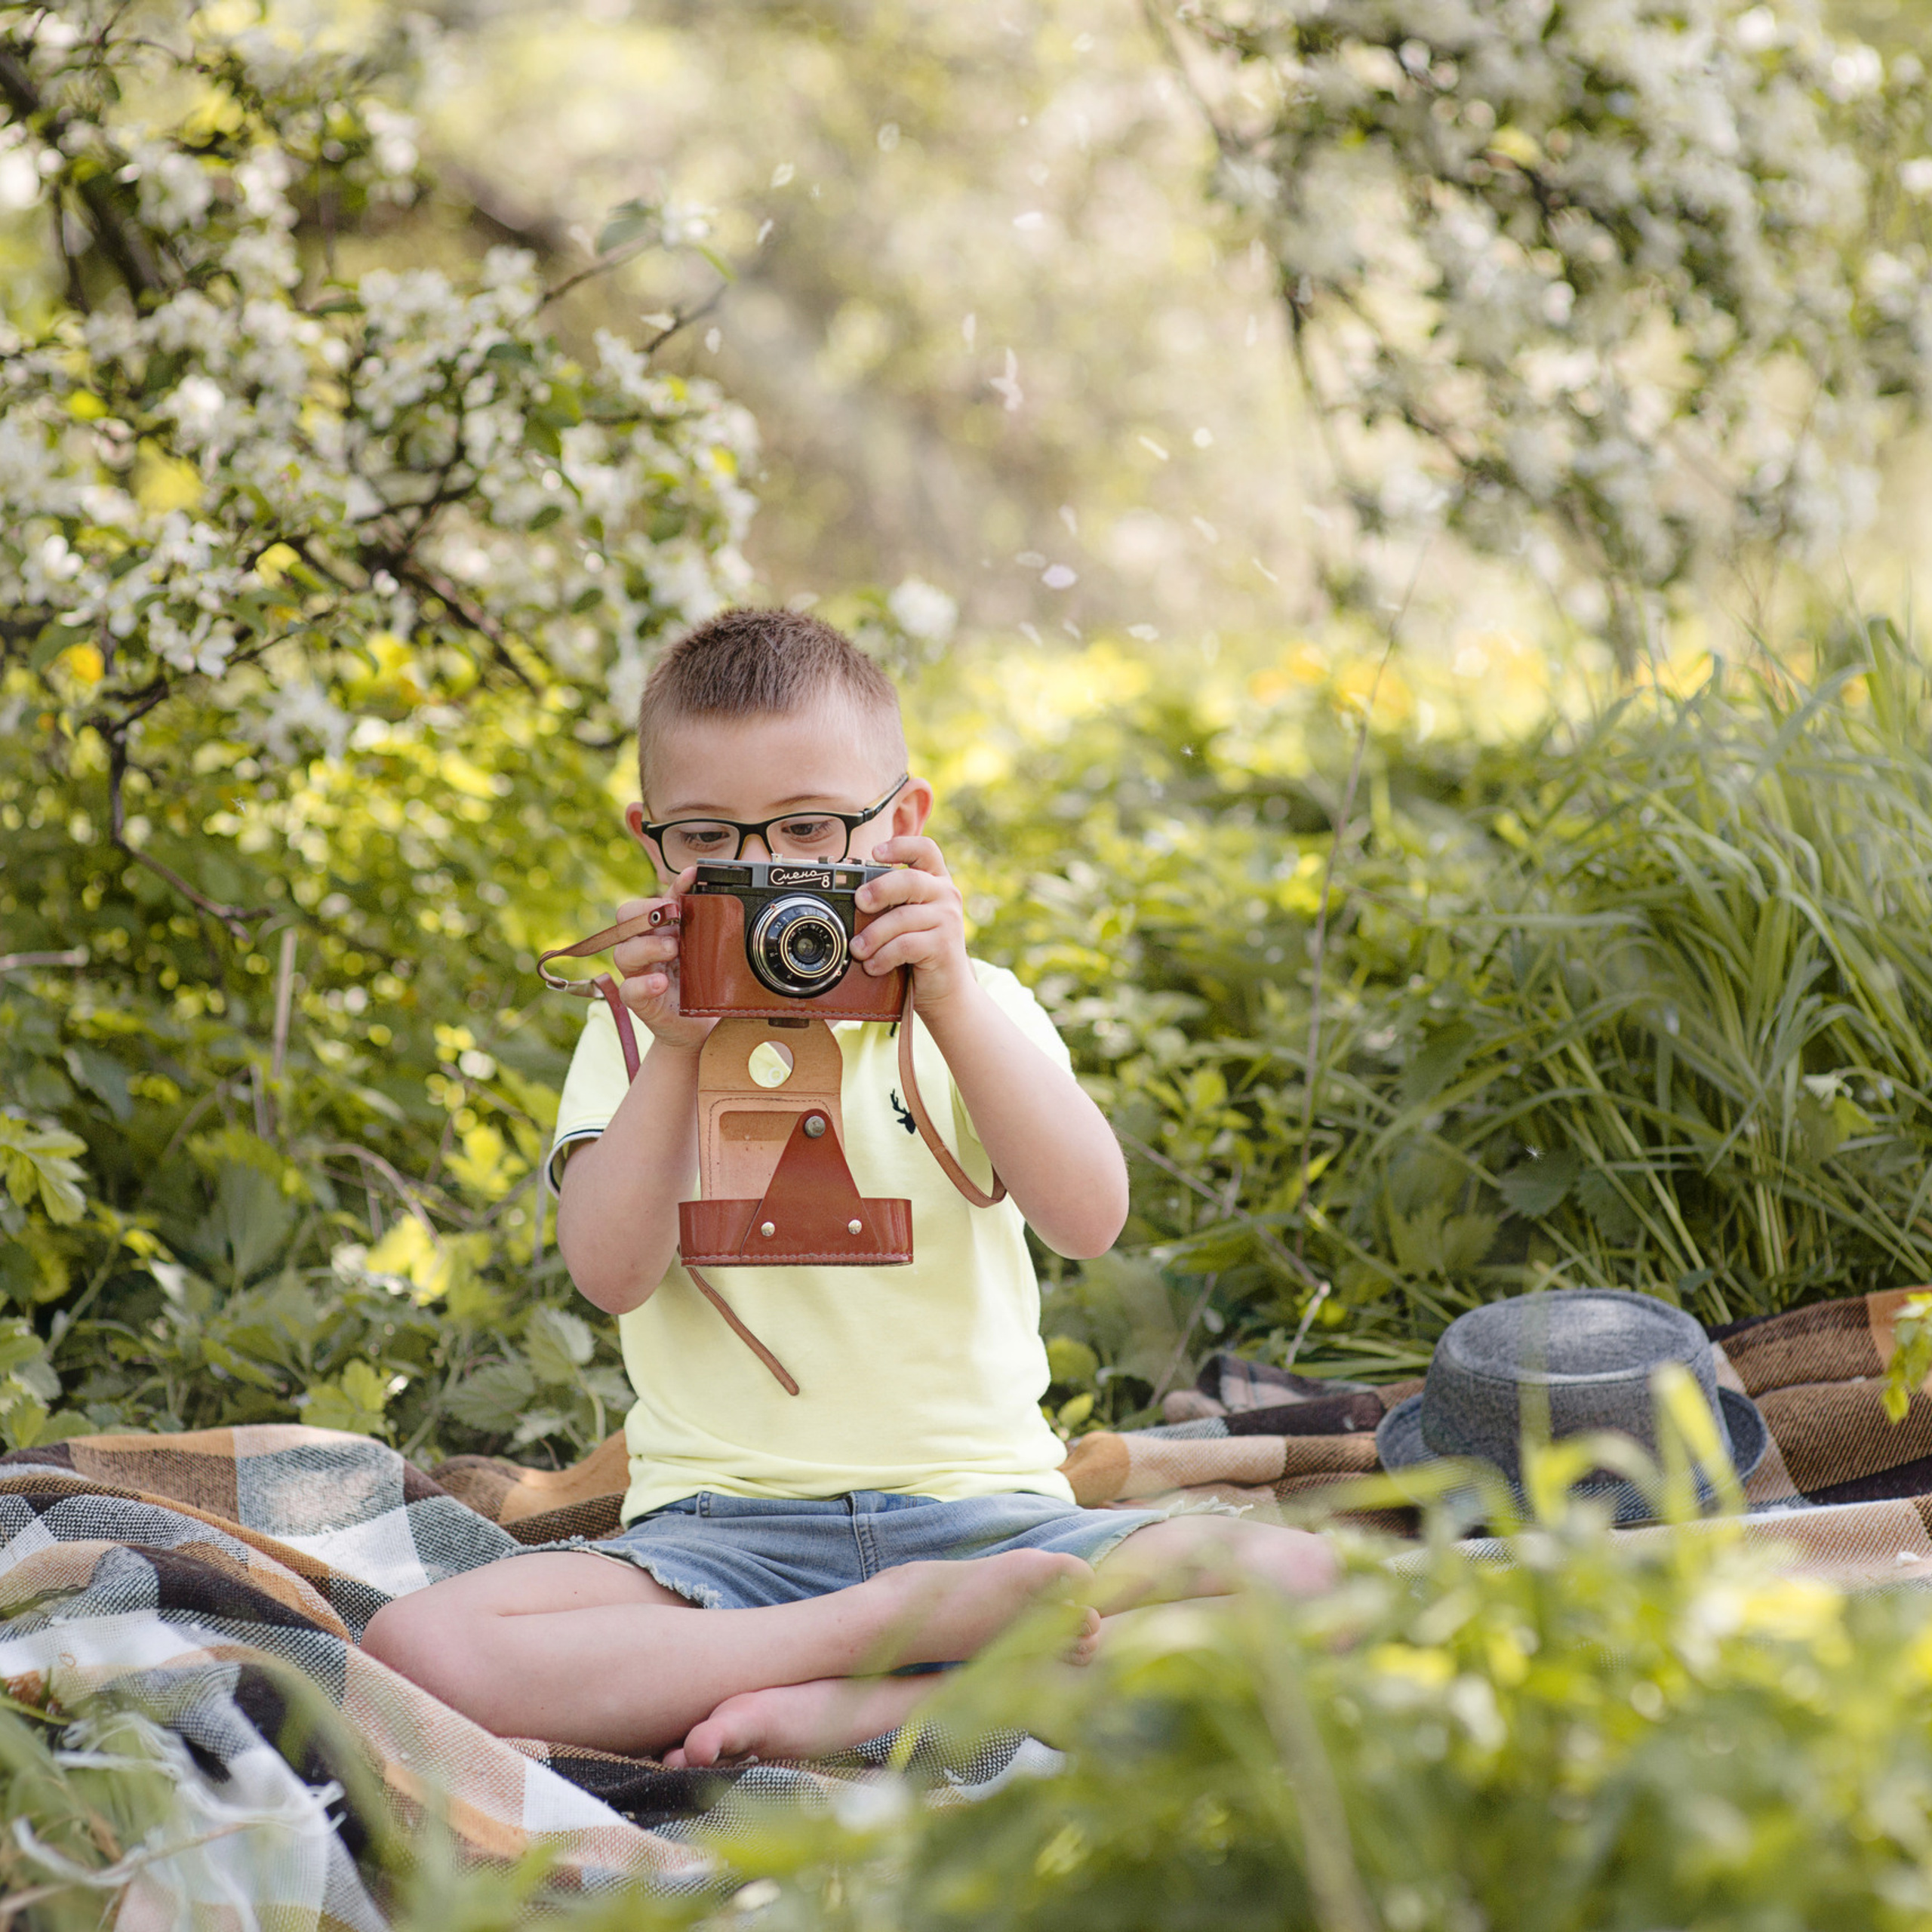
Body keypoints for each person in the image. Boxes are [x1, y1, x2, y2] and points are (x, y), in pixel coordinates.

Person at [362, 610, 1334, 1765]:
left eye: (812, 827)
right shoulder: (637, 1037)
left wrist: (956, 1001)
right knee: (417, 1651)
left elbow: (1091, 1219)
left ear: (904, 826)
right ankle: (873, 1639)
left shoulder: (979, 1007)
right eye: (713, 837)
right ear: (652, 845)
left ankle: (859, 1703)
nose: (772, 874)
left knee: (1310, 1581)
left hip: (986, 1517)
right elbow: (613, 1276)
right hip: (726, 1543)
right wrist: (676, 1050)